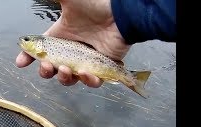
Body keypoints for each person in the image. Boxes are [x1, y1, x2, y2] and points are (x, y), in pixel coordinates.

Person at [15, 0, 176, 88]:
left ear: (39, 44)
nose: (24, 41)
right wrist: (121, 16)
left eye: (27, 40)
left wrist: (119, 15)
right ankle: (132, 78)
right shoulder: (43, 49)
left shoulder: (43, 51)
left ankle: (132, 78)